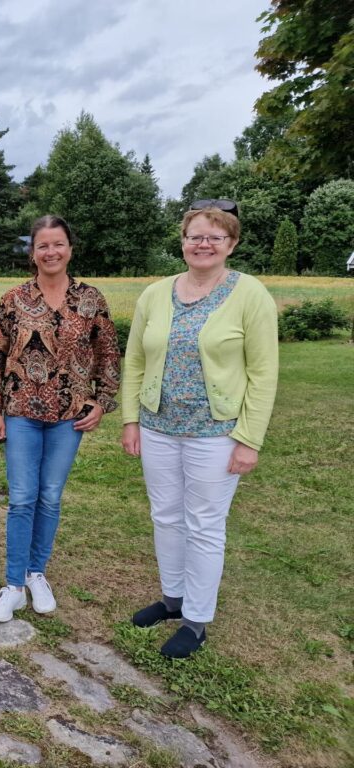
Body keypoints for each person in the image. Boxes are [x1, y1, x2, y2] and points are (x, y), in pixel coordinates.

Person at [121, 200, 278, 658]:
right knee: (165, 516)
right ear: (183, 241)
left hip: (216, 432)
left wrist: (249, 439)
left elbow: (264, 373)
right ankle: (172, 599)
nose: (203, 244)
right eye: (195, 235)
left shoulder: (250, 295)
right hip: (157, 427)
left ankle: (196, 620)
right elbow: (134, 360)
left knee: (205, 525)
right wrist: (131, 419)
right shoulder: (155, 293)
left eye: (215, 236)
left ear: (231, 244)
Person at [0, 215, 120, 622]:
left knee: (51, 496)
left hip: (69, 415)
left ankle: (36, 572)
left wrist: (103, 402)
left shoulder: (91, 299)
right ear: (33, 253)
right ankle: (12, 587)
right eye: (42, 245)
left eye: (58, 243)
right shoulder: (13, 299)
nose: (51, 252)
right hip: (21, 409)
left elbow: (108, 354)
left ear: (70, 248)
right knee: (22, 498)